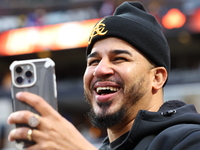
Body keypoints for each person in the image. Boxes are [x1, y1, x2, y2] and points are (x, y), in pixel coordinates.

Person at [7, 1, 200, 150]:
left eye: (119, 59)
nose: (100, 70)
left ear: (156, 78)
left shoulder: (190, 139)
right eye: (93, 61)